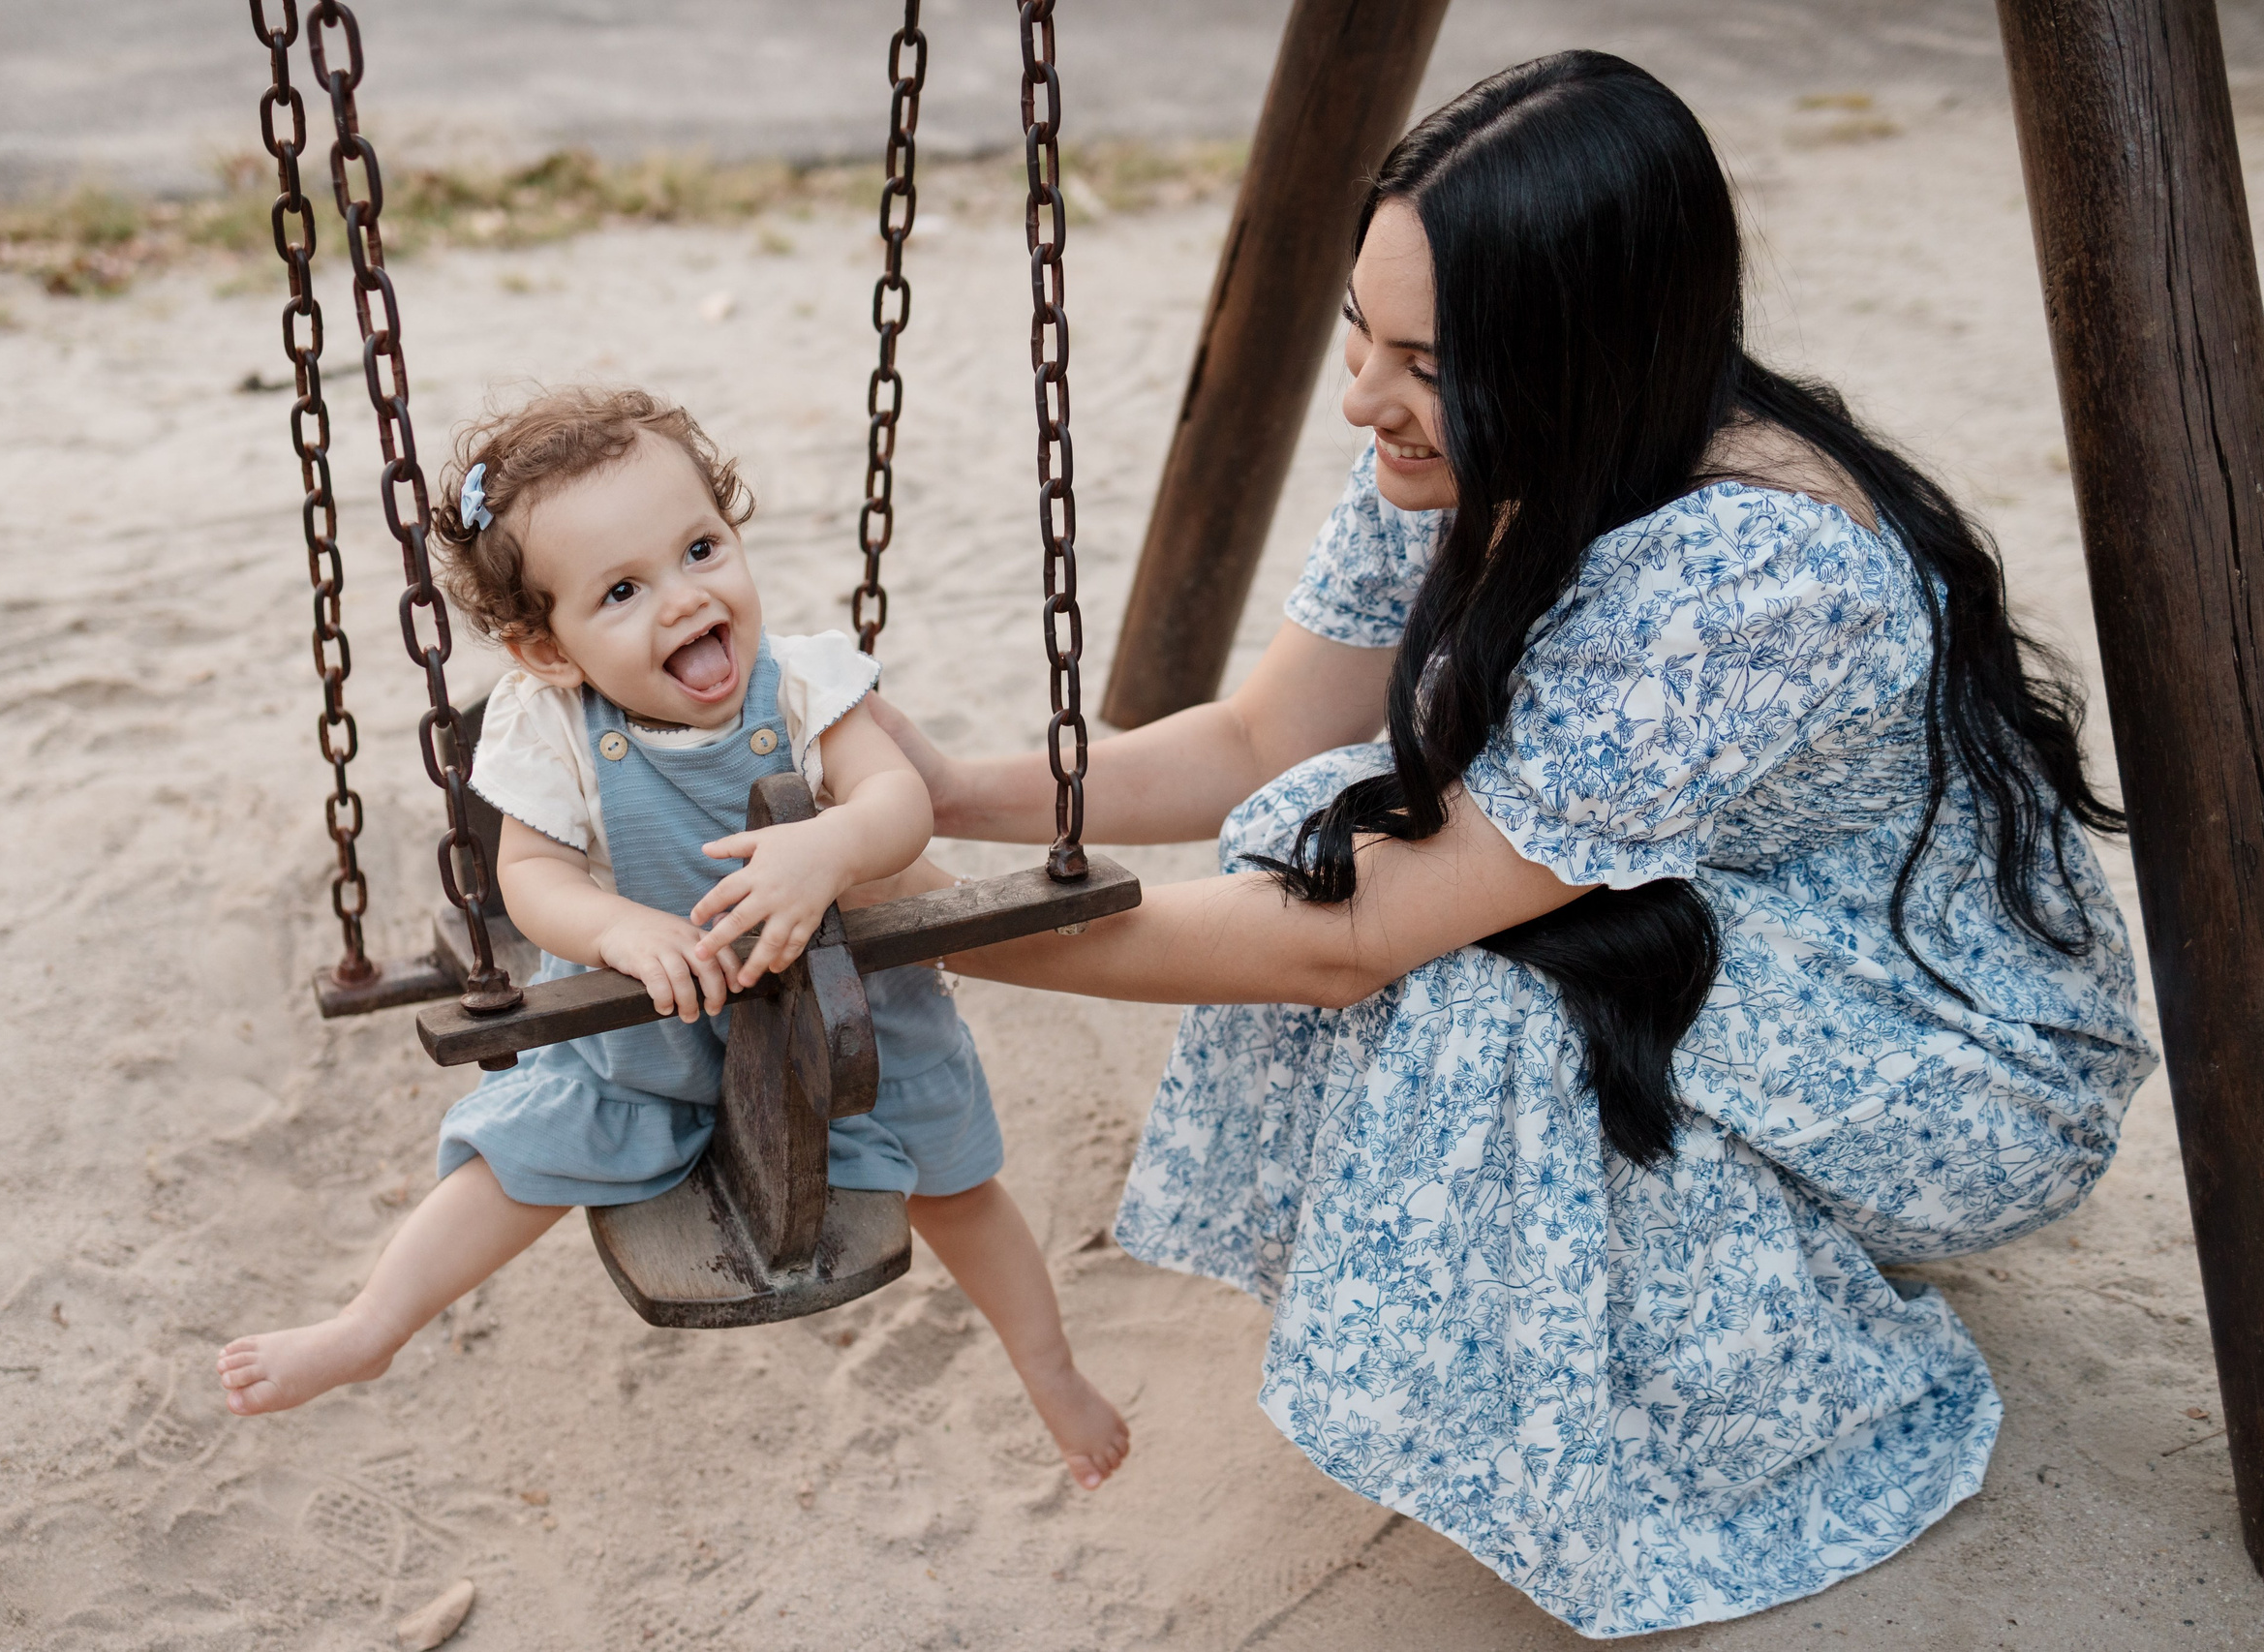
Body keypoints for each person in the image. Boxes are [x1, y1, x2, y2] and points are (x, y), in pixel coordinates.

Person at [870, 52, 2154, 1637]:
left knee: (1474, 999)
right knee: (1317, 814)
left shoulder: (1756, 570)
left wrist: (927, 930)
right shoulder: (1474, 436)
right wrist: (940, 798)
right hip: (1746, 933)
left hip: (1950, 1064)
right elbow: (1266, 738)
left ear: (1579, 346)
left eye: (1417, 356)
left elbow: (1348, 943)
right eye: (1359, 326)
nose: (1359, 396)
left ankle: (1766, 1383)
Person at [216, 385, 1129, 1493]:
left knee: (958, 1185)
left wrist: (832, 848)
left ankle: (1051, 1369)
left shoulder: (803, 683)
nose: (686, 598)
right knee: (516, 1157)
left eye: (701, 546)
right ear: (546, 649)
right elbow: (533, 880)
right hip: (650, 1030)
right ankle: (370, 1323)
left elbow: (901, 806)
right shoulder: (547, 722)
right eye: (622, 589)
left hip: (847, 1024)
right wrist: (619, 928)